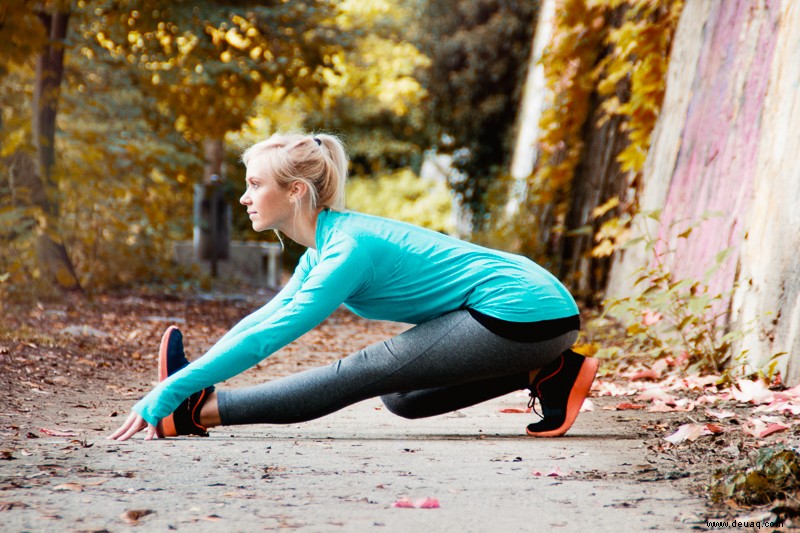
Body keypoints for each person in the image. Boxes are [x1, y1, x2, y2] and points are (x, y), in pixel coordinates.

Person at [108, 132, 598, 442]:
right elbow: (261, 320)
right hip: (536, 316)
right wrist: (188, 375)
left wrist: (175, 390)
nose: (244, 196)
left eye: (255, 184)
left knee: (361, 371)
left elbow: (270, 338)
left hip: (522, 311)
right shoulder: (323, 245)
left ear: (296, 190)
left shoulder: (347, 249)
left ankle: (199, 413)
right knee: (401, 398)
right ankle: (549, 371)